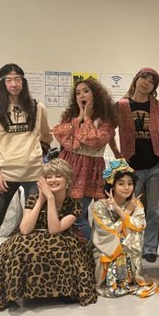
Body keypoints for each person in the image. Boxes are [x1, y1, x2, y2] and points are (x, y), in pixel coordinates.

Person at [0, 63, 52, 288]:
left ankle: (34, 269)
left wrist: (38, 154)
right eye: (8, 79)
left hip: (34, 174)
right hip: (6, 175)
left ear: (23, 81)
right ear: (3, 83)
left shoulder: (37, 107)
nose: (13, 84)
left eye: (17, 79)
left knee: (36, 221)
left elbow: (47, 136)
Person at [0, 159, 98, 312]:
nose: (52, 180)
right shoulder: (34, 199)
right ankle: (19, 291)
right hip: (33, 235)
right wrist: (41, 201)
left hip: (62, 238)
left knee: (57, 250)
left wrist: (51, 199)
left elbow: (54, 229)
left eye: (58, 176)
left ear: (67, 181)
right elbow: (25, 229)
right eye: (48, 177)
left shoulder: (74, 204)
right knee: (18, 250)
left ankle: (59, 291)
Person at [111, 67, 159, 263]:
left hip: (155, 164)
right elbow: (108, 130)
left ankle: (149, 248)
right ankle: (130, 246)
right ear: (136, 79)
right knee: (128, 208)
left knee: (154, 209)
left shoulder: (157, 106)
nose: (146, 82)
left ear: (154, 87)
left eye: (151, 81)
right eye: (144, 78)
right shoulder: (121, 105)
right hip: (131, 166)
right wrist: (116, 153)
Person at [53, 78, 117, 241]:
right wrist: (79, 117)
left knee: (77, 215)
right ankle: (72, 248)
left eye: (86, 91)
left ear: (95, 94)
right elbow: (61, 136)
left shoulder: (106, 119)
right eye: (78, 93)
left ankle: (88, 249)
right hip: (67, 166)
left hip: (89, 169)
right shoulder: (71, 116)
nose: (81, 95)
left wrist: (87, 119)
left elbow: (95, 141)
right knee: (64, 212)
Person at [91, 159, 159, 298]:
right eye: (121, 183)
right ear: (112, 185)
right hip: (106, 247)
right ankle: (112, 282)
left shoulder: (136, 204)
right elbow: (109, 232)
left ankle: (128, 280)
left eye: (130, 183)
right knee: (118, 246)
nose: (126, 187)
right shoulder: (100, 206)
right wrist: (127, 212)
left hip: (129, 248)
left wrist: (121, 211)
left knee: (132, 238)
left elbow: (140, 225)